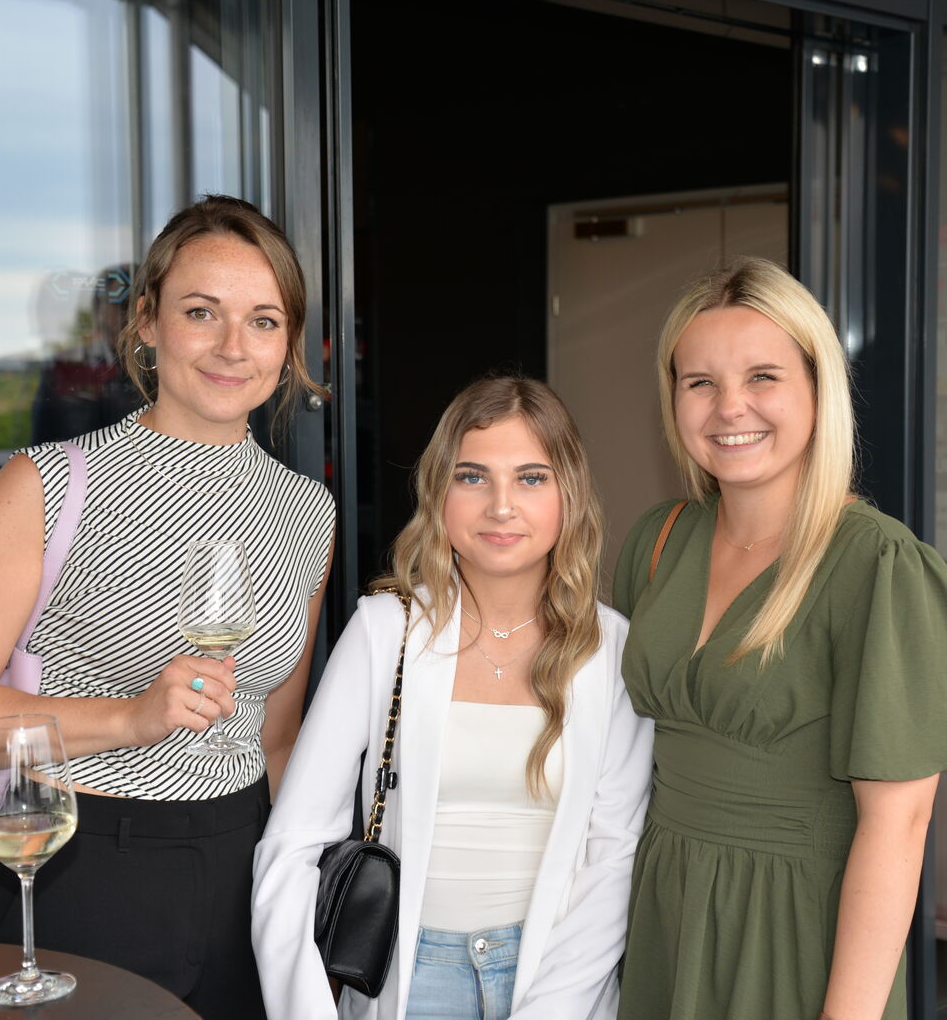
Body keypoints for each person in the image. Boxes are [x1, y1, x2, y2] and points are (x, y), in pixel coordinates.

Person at [0, 195, 335, 1020]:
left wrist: (290, 884)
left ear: (290, 343)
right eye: (201, 312)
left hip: (241, 873)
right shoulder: (48, 484)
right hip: (76, 867)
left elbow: (275, 736)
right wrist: (129, 718)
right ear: (147, 323)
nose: (233, 346)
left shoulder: (308, 512)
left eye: (264, 321)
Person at [611, 258, 947, 1020]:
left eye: (763, 376)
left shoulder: (874, 564)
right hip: (662, 914)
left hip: (794, 931)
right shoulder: (657, 543)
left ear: (817, 387)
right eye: (700, 382)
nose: (729, 406)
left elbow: (898, 824)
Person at [252, 376, 653, 1020]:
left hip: (556, 980)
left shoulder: (610, 649)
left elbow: (615, 859)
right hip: (409, 981)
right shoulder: (386, 631)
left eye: (531, 478)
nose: (501, 506)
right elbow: (292, 843)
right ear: (439, 491)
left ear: (569, 495)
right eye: (472, 477)